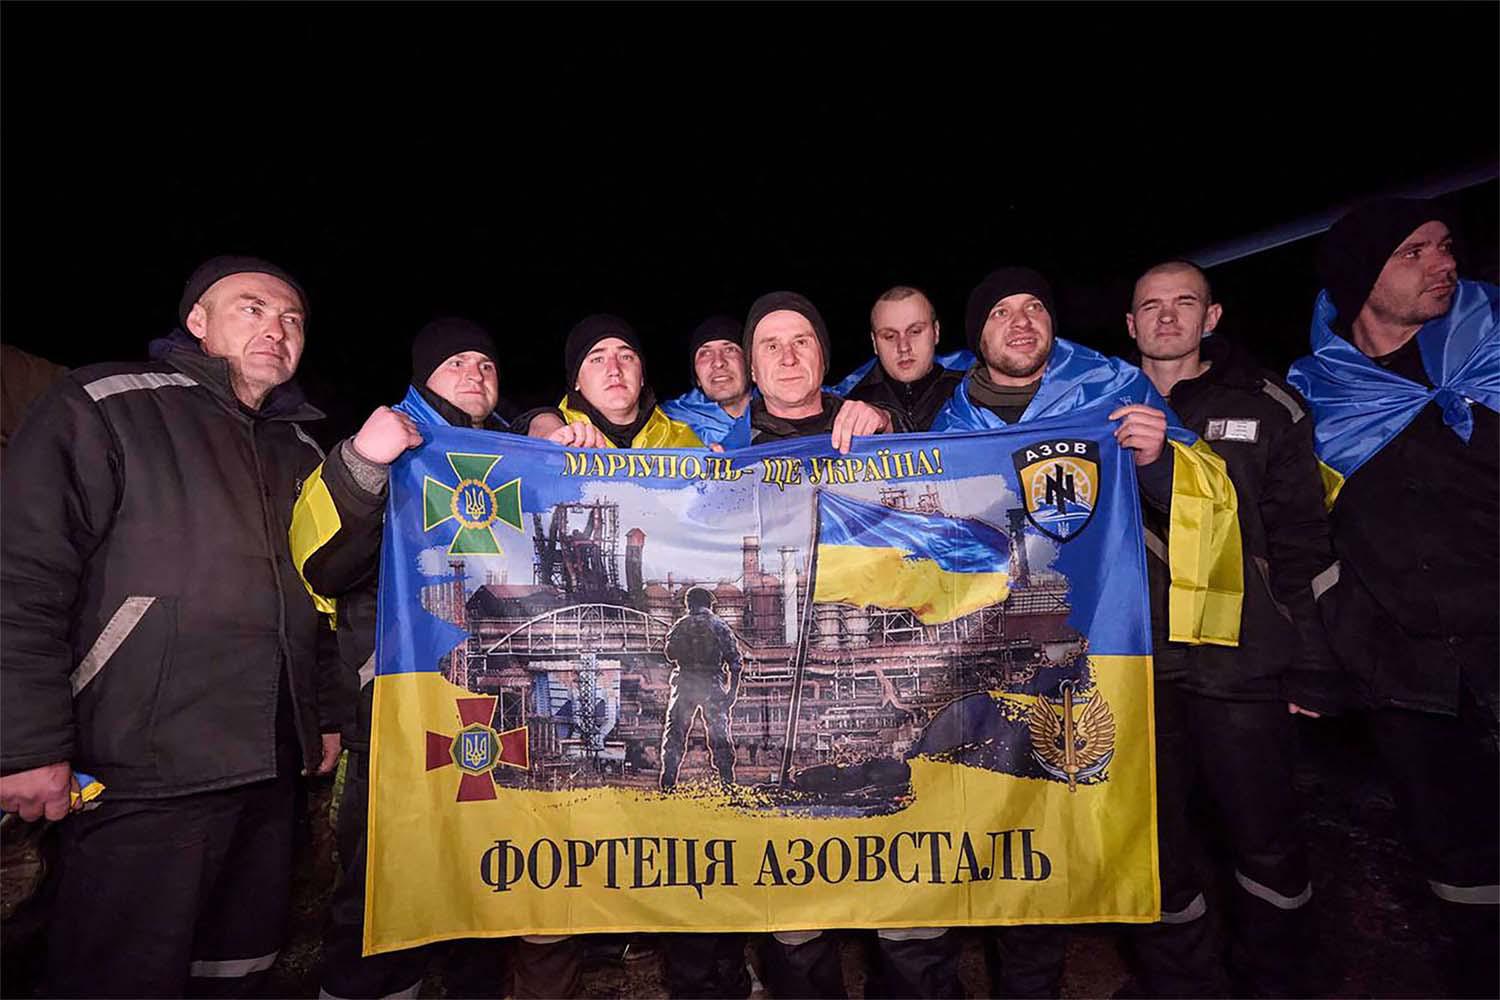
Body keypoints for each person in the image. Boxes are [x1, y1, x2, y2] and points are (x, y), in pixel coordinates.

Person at [0, 255, 349, 997]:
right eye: (251, 308)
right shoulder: (105, 401)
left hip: (269, 768)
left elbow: (318, 596)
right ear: (197, 321)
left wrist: (318, 714)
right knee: (120, 969)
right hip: (142, 766)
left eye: (291, 319)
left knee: (239, 965)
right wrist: (24, 741)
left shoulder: (302, 449)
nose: (275, 330)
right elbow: (23, 573)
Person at [931, 266, 1242, 998]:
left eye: (1035, 306)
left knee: (1143, 832)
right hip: (1002, 666)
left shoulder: (1114, 391)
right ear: (979, 334)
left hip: (1121, 658)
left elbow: (1216, 495)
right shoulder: (948, 427)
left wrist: (1161, 459)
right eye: (1001, 311)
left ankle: (1186, 985)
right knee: (1019, 828)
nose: (1021, 321)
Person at [291, 317, 583, 999]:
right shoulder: (383, 445)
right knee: (385, 889)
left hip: (496, 708)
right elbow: (322, 566)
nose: (476, 374)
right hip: (401, 712)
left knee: (479, 884)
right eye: (456, 363)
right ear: (423, 374)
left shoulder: (510, 456)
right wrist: (364, 465)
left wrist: (547, 432)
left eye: (486, 364)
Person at [1287, 198, 1498, 998]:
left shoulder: (1493, 356)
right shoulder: (1317, 398)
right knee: (1458, 868)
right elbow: (1303, 537)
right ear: (1361, 278)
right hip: (1410, 678)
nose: (1444, 263)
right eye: (1416, 251)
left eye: (1446, 246)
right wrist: (1336, 645)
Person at [1125, 259, 1340, 996]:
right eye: (1150, 306)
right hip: (1141, 670)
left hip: (1241, 662)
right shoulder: (1093, 411)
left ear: (1211, 317)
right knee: (1157, 845)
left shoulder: (1268, 404)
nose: (1167, 317)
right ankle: (1177, 983)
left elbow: (1303, 540)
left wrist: (1310, 662)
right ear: (1129, 324)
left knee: (1265, 843)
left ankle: (1275, 979)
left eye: (1184, 302)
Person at [744, 290, 905, 451]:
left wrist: (887, 422)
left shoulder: (869, 427)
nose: (789, 359)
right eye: (772, 347)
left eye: (801, 342)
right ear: (752, 369)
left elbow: (920, 445)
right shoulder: (733, 446)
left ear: (823, 359)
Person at [525, 314, 704, 449]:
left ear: (642, 376)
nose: (614, 370)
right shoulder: (557, 437)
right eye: (597, 359)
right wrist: (544, 445)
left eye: (626, 357)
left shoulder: (684, 443)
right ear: (576, 381)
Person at [841, 285, 970, 430]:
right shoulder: (848, 406)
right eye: (889, 336)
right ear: (875, 343)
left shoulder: (970, 393)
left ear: (936, 332)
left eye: (915, 332)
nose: (903, 347)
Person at [659, 586, 742, 791]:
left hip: (685, 683)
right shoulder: (720, 626)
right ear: (709, 604)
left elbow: (670, 654)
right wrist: (732, 692)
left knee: (675, 733)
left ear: (688, 604)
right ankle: (727, 783)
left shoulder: (679, 626)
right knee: (719, 733)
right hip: (711, 684)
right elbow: (735, 663)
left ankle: (668, 783)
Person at [660, 314, 755, 448]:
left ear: (750, 365)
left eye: (729, 350)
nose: (718, 362)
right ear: (697, 378)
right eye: (705, 353)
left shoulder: (781, 411)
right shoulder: (667, 424)